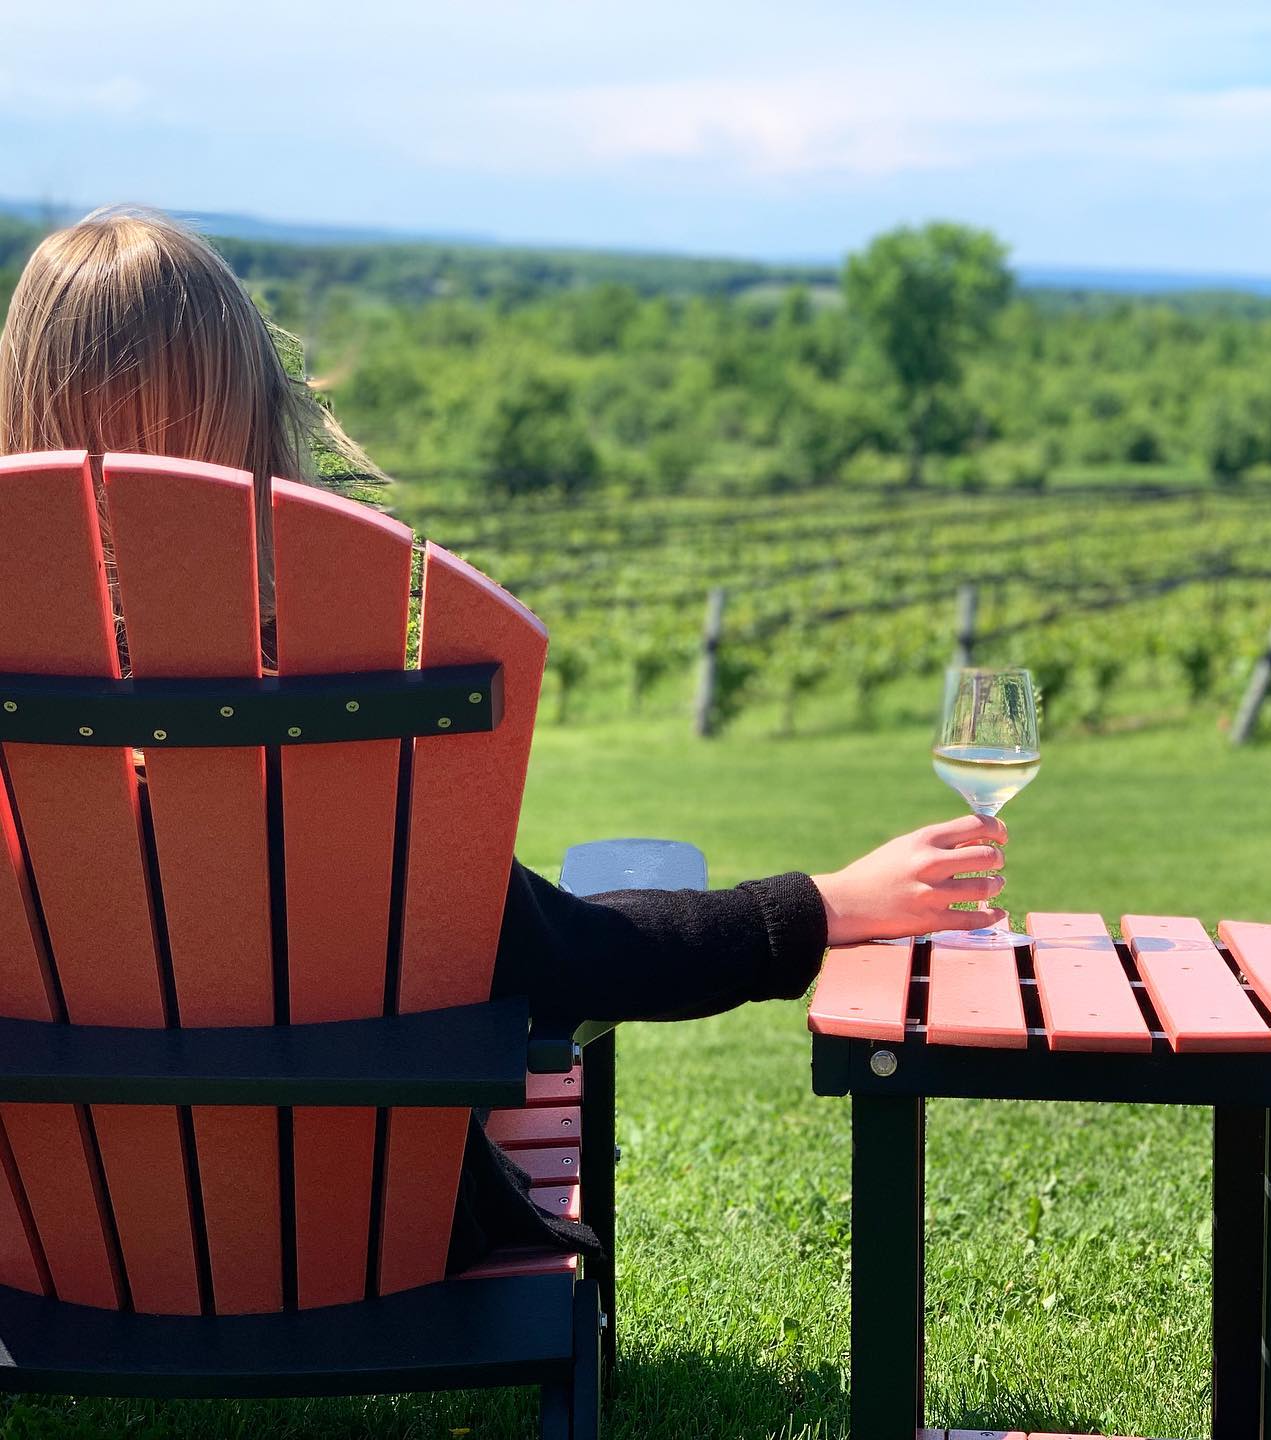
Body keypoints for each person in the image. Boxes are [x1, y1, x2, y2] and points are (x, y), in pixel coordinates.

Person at [0, 206, 1007, 1269]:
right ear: (261, 417)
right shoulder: (323, 706)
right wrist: (816, 907)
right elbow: (565, 960)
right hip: (352, 1244)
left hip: (55, 1246)